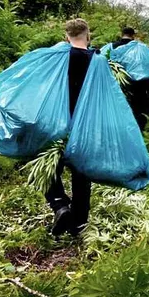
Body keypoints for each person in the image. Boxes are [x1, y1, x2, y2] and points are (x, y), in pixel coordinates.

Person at [46, 19, 95, 237]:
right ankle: (79, 223)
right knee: (81, 172)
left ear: (67, 36)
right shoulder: (98, 61)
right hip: (86, 124)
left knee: (48, 164)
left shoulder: (57, 59)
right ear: (88, 35)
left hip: (58, 121)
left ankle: (59, 205)